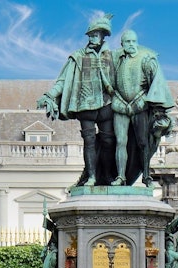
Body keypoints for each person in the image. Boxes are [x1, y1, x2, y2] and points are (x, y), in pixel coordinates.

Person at [36, 13, 117, 186]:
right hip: (85, 104)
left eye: (96, 34)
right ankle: (92, 176)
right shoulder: (78, 56)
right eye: (91, 35)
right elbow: (63, 81)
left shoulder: (113, 56)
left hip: (106, 104)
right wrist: (50, 95)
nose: (92, 38)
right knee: (89, 141)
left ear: (103, 36)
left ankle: (108, 175)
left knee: (109, 141)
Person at [110, 29, 174, 187]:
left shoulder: (146, 58)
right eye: (128, 42)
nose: (131, 44)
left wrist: (158, 110)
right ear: (122, 44)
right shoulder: (115, 59)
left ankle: (146, 175)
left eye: (134, 41)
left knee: (143, 142)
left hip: (140, 104)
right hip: (119, 104)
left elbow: (156, 83)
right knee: (120, 141)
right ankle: (120, 176)